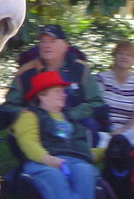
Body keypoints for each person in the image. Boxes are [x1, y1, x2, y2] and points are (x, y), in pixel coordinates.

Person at [0, 24, 106, 145]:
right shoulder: (26, 72)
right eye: (43, 41)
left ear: (65, 46)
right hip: (38, 125)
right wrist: (31, 114)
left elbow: (96, 103)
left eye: (53, 41)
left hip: (75, 122)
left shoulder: (81, 69)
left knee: (90, 125)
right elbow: (9, 107)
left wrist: (69, 115)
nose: (47, 45)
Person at [12, 70, 100, 199]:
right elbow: (28, 143)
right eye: (58, 91)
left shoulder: (69, 118)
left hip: (77, 162)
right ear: (42, 95)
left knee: (84, 170)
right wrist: (49, 160)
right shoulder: (30, 116)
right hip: (43, 163)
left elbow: (83, 150)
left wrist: (108, 151)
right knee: (54, 175)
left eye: (63, 91)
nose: (64, 95)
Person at [96, 39, 134, 149]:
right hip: (105, 130)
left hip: (127, 131)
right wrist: (111, 131)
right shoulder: (101, 78)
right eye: (121, 53)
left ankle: (118, 145)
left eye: (128, 55)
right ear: (114, 56)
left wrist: (122, 130)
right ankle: (116, 147)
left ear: (133, 60)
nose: (124, 57)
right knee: (100, 139)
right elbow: (96, 107)